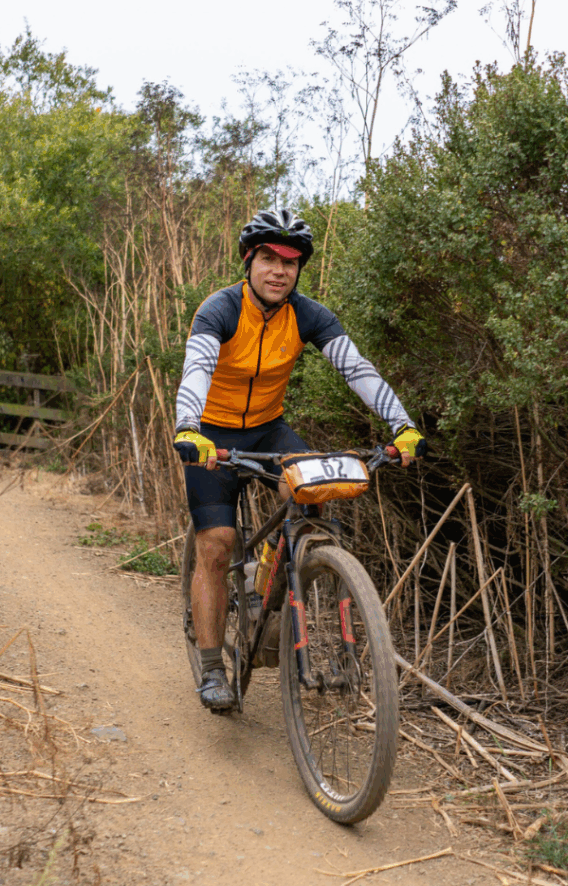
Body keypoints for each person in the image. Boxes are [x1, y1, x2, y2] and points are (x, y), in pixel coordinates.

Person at [173, 208, 426, 712]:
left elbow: (357, 370)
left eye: (290, 262)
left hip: (268, 428)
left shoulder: (308, 314)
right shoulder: (220, 309)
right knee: (218, 545)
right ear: (249, 260)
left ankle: (265, 583)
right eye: (268, 258)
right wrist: (188, 427)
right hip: (212, 433)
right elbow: (197, 367)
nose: (279, 270)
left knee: (310, 493)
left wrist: (403, 425)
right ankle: (212, 668)